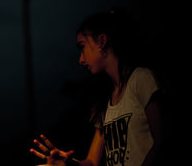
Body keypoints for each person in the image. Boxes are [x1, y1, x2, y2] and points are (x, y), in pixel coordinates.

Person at [30, 9, 165, 166]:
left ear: (102, 41)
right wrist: (67, 163)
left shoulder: (142, 80)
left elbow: (163, 141)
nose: (81, 59)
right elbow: (93, 162)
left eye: (82, 47)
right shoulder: (105, 101)